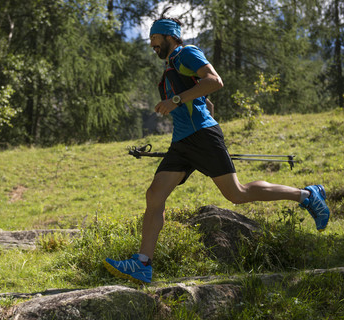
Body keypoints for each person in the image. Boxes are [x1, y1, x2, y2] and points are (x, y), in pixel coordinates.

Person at [103, 17, 330, 285]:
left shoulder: (185, 53)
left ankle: (307, 195)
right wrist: (189, 109)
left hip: (201, 136)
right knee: (154, 194)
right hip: (184, 141)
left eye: (155, 38)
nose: (152, 43)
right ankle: (142, 264)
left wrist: (176, 102)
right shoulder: (173, 67)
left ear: (169, 37)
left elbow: (214, 81)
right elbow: (207, 102)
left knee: (237, 194)